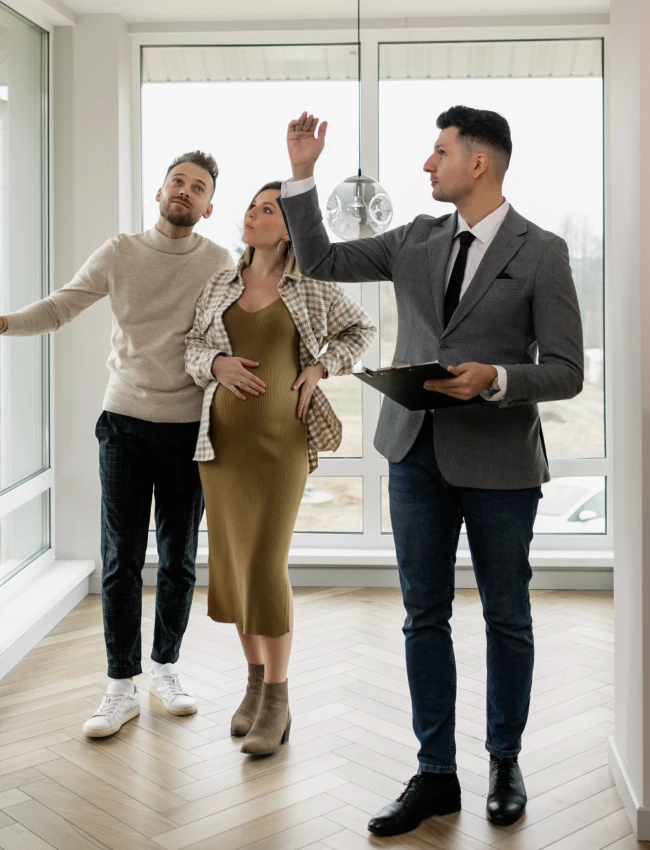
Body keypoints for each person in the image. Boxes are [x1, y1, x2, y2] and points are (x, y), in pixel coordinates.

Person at [279, 108, 584, 832]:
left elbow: (567, 370)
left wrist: (497, 379)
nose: (426, 164)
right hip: (414, 454)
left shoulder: (542, 252)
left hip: (502, 462)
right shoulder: (414, 238)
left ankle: (504, 761)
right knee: (424, 616)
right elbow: (322, 260)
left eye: (438, 151)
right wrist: (302, 174)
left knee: (507, 618)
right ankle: (435, 773)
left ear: (477, 164)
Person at [0, 151, 233, 738]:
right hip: (124, 422)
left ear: (209, 207)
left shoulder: (218, 262)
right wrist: (5, 323)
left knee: (178, 559)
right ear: (159, 193)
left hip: (187, 429)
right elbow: (61, 306)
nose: (185, 191)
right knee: (120, 560)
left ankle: (166, 669)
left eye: (198, 187)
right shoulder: (121, 251)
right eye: (177, 181)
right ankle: (120, 686)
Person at [185, 180, 376, 756]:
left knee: (266, 565)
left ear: (289, 226)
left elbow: (361, 332)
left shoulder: (312, 285)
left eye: (267, 210)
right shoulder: (219, 282)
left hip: (282, 445)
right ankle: (252, 686)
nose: (251, 215)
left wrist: (319, 368)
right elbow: (192, 347)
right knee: (235, 566)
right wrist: (215, 362)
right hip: (220, 450)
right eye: (250, 207)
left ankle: (278, 698)